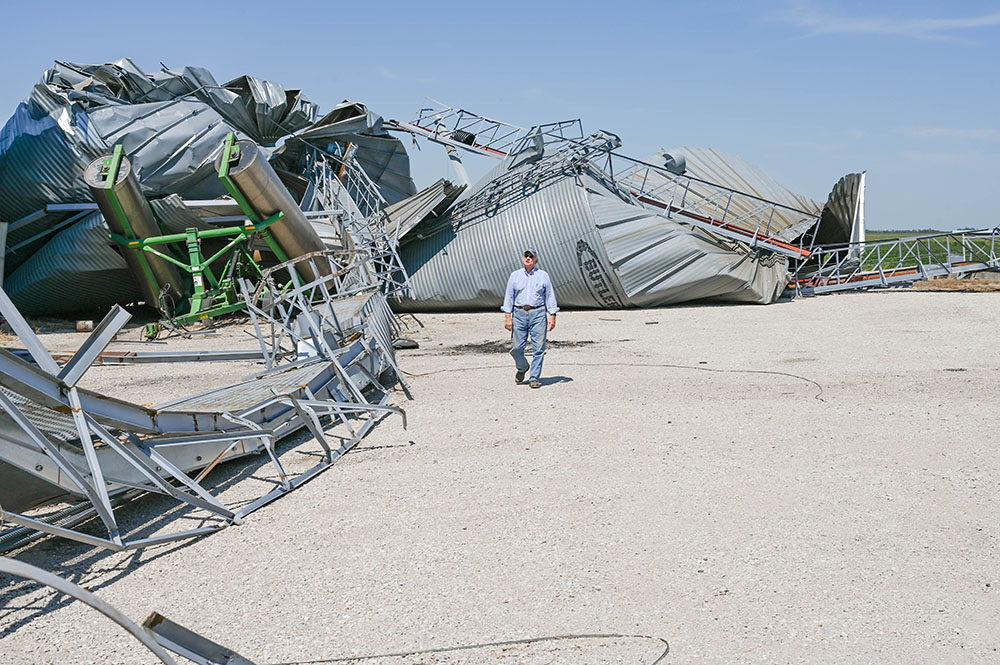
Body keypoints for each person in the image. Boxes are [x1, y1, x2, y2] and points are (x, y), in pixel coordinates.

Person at [501, 248, 559, 389]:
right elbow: (509, 296)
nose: (528, 258)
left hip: (538, 313)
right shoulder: (515, 275)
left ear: (536, 260)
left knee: (538, 348)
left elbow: (549, 296)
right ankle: (523, 367)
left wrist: (552, 315)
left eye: (531, 256)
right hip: (519, 312)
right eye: (526, 256)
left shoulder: (543, 275)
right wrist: (508, 316)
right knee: (516, 348)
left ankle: (534, 377)